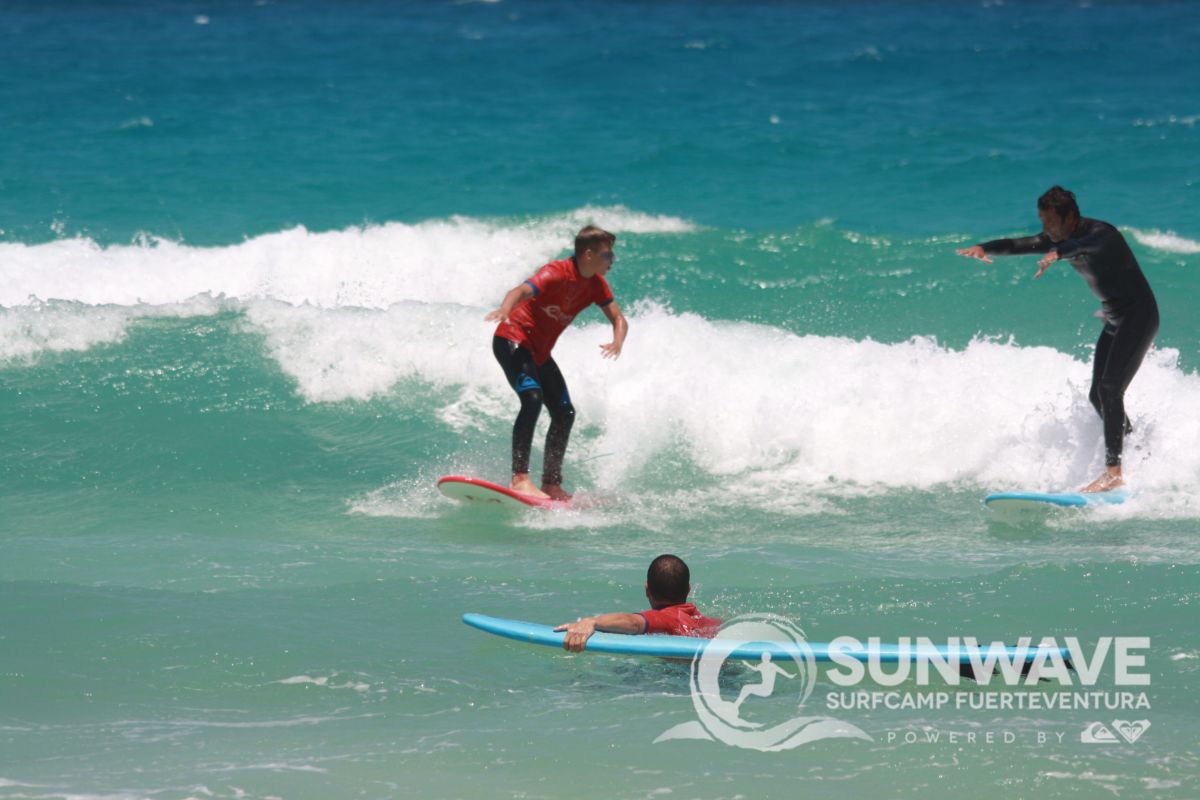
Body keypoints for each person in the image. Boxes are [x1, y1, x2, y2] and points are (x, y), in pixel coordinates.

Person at [957, 186, 1159, 492]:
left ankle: (1113, 473)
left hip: (1138, 315)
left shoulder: (1102, 234)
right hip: (1114, 318)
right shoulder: (1057, 239)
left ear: (1070, 218)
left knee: (1110, 388)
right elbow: (1020, 244)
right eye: (1043, 221)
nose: (1046, 228)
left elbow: (1084, 246)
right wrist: (984, 247)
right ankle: (1138, 452)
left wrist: (1058, 253)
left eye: (1050, 221)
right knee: (1098, 396)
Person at [485, 226, 629, 501]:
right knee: (532, 399)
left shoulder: (597, 285)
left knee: (565, 412)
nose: (612, 261)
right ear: (589, 255)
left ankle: (551, 485)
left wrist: (617, 341)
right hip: (512, 340)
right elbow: (520, 290)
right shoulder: (556, 272)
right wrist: (505, 309)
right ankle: (519, 479)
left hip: (539, 353)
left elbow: (618, 318)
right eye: (607, 255)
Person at [555, 554, 721, 652]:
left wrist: (592, 621)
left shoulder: (667, 618)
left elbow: (634, 623)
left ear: (647, 589)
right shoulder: (709, 622)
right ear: (688, 590)